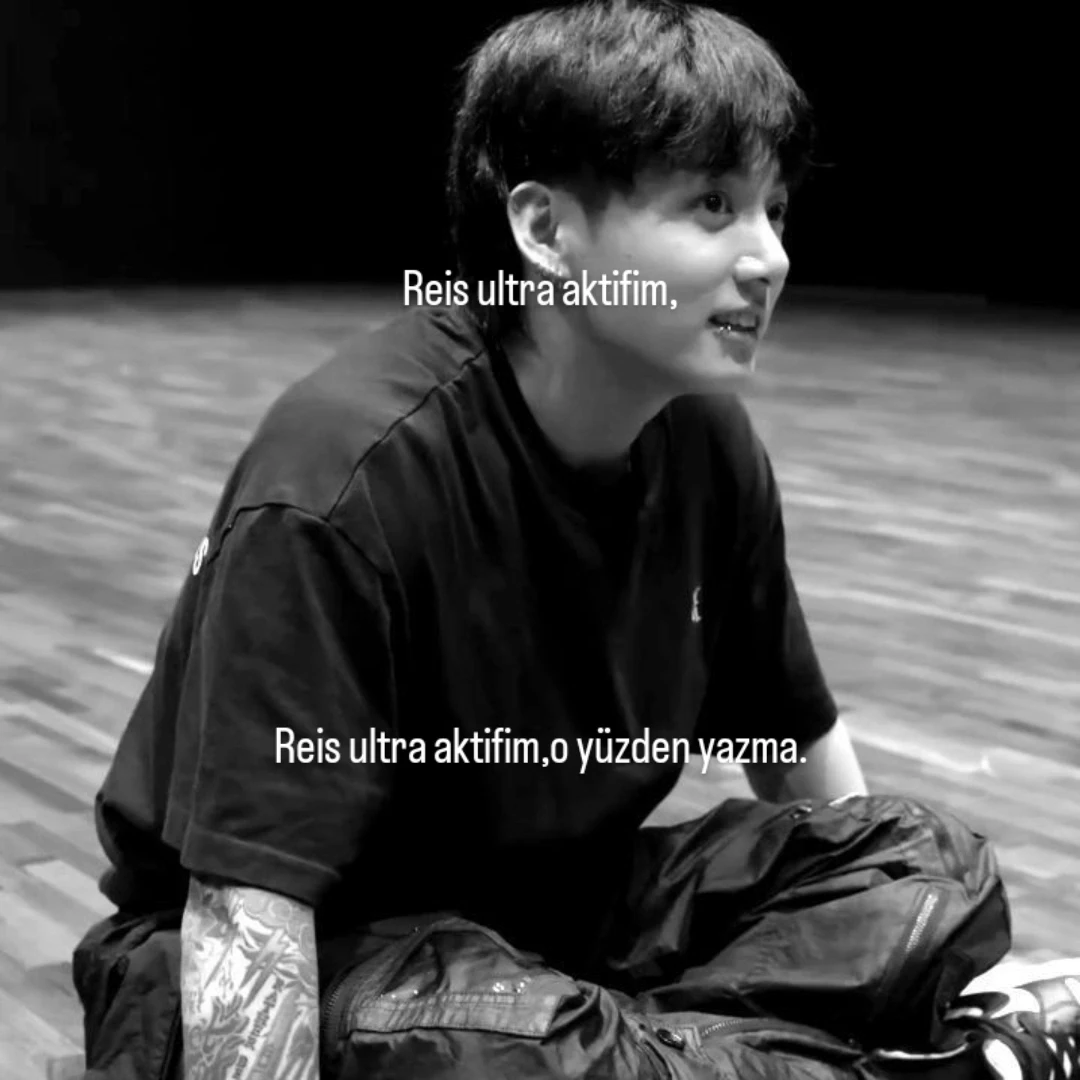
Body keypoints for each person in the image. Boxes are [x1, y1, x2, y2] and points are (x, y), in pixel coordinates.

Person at [72, 2, 1079, 1079]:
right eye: (713, 205)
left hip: (555, 914)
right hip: (307, 955)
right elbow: (248, 919)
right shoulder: (341, 479)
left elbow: (794, 746)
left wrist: (909, 952)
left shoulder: (706, 442)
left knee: (928, 865)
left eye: (774, 209)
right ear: (546, 231)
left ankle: (673, 1055)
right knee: (482, 1042)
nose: (771, 257)